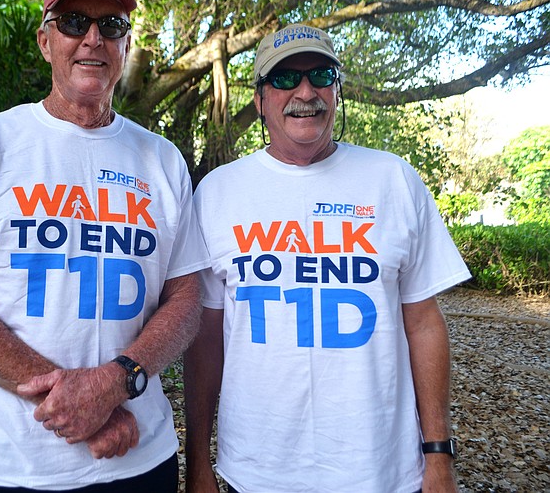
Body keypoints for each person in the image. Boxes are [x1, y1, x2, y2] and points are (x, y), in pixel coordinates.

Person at [0, 0, 209, 492]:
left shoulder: (161, 160)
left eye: (111, 25)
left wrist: (115, 384)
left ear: (126, 45)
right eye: (74, 22)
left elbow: (186, 299)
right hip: (0, 465)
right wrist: (79, 404)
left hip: (137, 461)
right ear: (46, 41)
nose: (93, 38)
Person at [184, 24, 471, 493]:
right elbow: (205, 338)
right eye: (284, 79)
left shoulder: (393, 180)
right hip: (256, 471)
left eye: (320, 75)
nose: (305, 92)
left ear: (337, 90)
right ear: (259, 100)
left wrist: (438, 453)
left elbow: (423, 324)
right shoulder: (217, 192)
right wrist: (198, 462)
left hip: (380, 471)